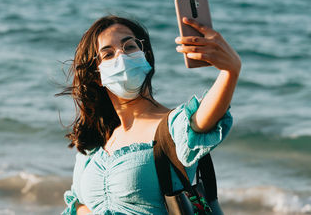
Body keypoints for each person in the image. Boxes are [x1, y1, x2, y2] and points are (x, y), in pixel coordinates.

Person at [58, 15, 241, 214]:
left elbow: (201, 121)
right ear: (97, 77)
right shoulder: (98, 142)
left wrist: (229, 71)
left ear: (146, 56)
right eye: (108, 54)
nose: (122, 56)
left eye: (129, 47)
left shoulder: (172, 127)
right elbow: (78, 205)